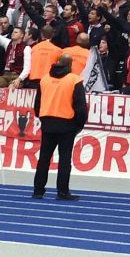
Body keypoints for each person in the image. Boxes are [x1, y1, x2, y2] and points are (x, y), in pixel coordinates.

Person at [32, 53, 88, 201]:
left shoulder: (45, 79)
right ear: (70, 65)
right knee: (64, 159)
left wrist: (42, 117)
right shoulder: (75, 80)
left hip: (48, 123)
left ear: (58, 62)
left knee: (44, 158)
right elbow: (80, 106)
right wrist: (79, 124)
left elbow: (37, 103)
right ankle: (62, 191)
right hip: (67, 124)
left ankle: (38, 190)